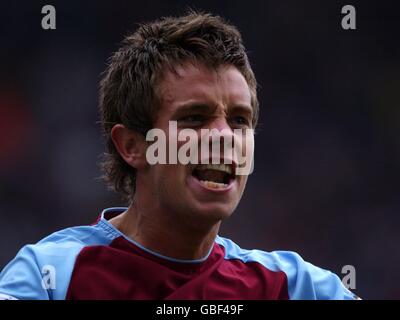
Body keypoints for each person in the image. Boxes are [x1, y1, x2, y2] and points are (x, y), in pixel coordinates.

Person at [0, 11, 358, 300]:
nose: (223, 136)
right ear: (132, 146)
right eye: (194, 118)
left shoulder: (295, 288)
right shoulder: (50, 278)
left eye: (239, 120)